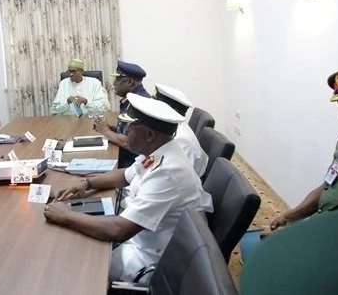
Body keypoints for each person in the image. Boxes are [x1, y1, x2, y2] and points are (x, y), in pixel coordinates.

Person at [44, 93, 213, 282]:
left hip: (153, 259)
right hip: (144, 239)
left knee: (69, 267)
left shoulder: (167, 172)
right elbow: (125, 175)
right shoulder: (159, 150)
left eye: (131, 126)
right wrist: (87, 184)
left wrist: (65, 215)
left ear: (149, 135)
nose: (124, 130)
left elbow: (118, 230)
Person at [270, 69, 338, 230]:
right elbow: (329, 183)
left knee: (272, 248)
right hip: (326, 221)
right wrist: (289, 216)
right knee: (269, 238)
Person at [94, 60, 151, 168]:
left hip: (133, 164)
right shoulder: (130, 99)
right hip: (126, 159)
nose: (114, 83)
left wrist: (105, 131)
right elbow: (128, 130)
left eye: (117, 79)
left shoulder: (140, 104)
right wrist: (110, 128)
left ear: (129, 82)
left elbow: (129, 142)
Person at [153, 83, 208, 177]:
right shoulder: (171, 128)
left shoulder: (180, 139)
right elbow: (153, 159)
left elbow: (176, 176)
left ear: (170, 110)